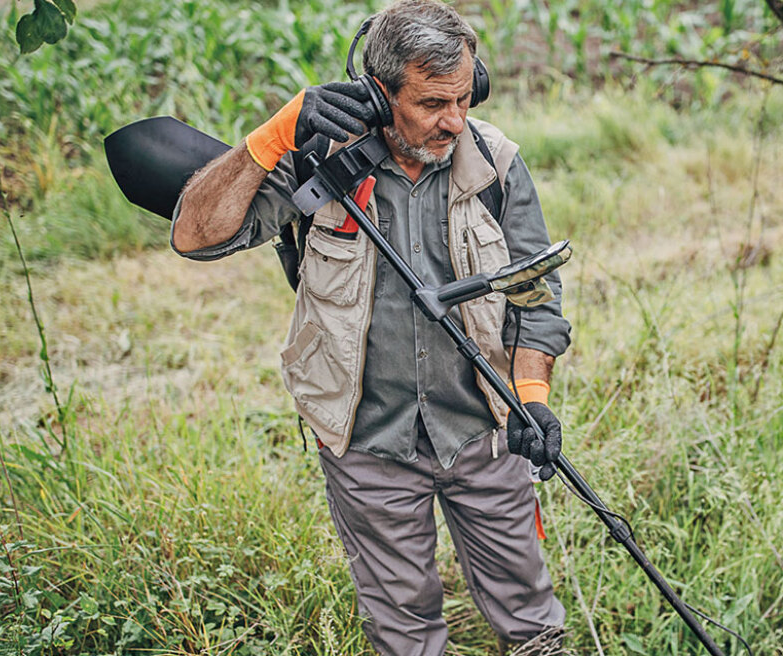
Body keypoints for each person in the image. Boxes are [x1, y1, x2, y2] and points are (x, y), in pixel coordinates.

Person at [169, 1, 570, 653]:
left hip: (485, 434)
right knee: (404, 628)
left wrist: (532, 399)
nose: (455, 120)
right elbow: (194, 235)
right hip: (365, 444)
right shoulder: (316, 159)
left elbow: (534, 294)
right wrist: (273, 137)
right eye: (434, 102)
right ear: (378, 95)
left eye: (466, 97)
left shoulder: (494, 162)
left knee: (529, 614)